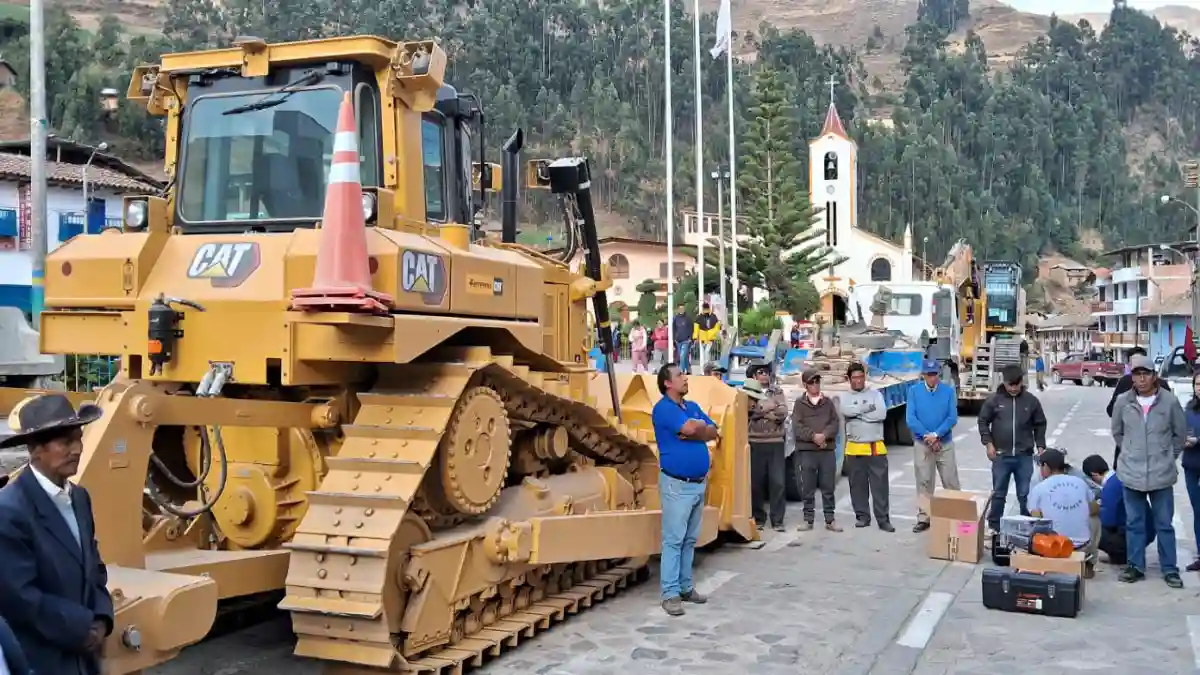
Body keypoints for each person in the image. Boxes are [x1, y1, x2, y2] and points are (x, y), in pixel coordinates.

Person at [0, 393, 114, 675]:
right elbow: (19, 596)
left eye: (78, 439)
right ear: (35, 450)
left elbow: (94, 568)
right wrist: (80, 630)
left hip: (84, 660)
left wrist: (101, 619)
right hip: (41, 661)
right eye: (65, 442)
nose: (77, 449)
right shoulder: (10, 510)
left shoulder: (80, 498)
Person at [1111, 354, 1187, 587]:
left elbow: (1179, 434)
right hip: (1131, 472)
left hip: (1161, 474)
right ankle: (1135, 566)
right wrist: (1130, 452)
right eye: (1137, 375)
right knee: (1134, 523)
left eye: (1146, 374)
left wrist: (1168, 457)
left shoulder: (1169, 402)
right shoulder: (1123, 401)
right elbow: (1117, 433)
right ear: (1132, 378)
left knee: (1164, 523)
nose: (1141, 379)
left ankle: (1169, 569)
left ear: (1154, 376)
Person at [651, 363, 720, 616]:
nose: (685, 377)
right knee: (673, 540)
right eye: (679, 375)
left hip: (698, 484)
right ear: (668, 383)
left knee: (690, 539)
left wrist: (696, 430)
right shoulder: (663, 409)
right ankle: (669, 593)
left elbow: (713, 431)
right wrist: (696, 429)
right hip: (677, 485)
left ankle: (685, 587)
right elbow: (692, 428)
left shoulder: (691, 407)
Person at [978, 364, 1047, 533]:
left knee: (1025, 495)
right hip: (1001, 456)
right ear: (1004, 382)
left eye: (1017, 384)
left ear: (1022, 382)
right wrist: (988, 443)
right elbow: (983, 421)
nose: (1014, 388)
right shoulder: (994, 400)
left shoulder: (1031, 401)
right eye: (1010, 385)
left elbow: (1040, 424)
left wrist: (1040, 445)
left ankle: (1028, 527)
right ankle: (994, 526)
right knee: (999, 493)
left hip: (1024, 456)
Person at [906, 359, 960, 533]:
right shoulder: (914, 392)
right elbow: (911, 419)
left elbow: (952, 418)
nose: (932, 378)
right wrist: (927, 437)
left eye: (934, 374)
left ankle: (956, 515)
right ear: (923, 375)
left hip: (944, 443)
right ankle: (924, 517)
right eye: (929, 375)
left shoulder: (948, 392)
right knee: (924, 481)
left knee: (950, 481)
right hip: (923, 444)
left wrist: (937, 435)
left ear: (939, 374)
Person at [1028, 448, 1099, 578]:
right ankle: (1089, 561)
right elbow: (1094, 508)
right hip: (1082, 545)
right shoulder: (1080, 483)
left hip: (1055, 547)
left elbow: (1036, 518)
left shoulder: (1039, 488)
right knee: (1094, 518)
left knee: (1034, 526)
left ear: (1046, 467)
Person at [840, 362, 893, 532]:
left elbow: (881, 414)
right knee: (857, 486)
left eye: (861, 377)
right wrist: (866, 409)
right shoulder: (844, 397)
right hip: (854, 449)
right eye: (854, 378)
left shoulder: (875, 394)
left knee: (880, 487)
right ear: (849, 379)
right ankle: (862, 517)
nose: (858, 380)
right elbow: (846, 411)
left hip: (875, 447)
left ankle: (883, 520)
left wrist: (859, 414)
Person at [792, 368, 841, 532]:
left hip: (826, 451)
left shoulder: (828, 402)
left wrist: (824, 436)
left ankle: (830, 519)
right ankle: (808, 520)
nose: (815, 385)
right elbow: (797, 426)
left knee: (828, 487)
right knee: (808, 488)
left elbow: (835, 422)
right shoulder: (799, 404)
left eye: (817, 381)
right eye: (811, 382)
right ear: (805, 385)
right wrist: (813, 437)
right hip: (807, 452)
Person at [1083, 454, 1153, 566]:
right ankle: (1122, 553)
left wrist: (1097, 510)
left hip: (1134, 532)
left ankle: (1121, 555)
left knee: (1091, 526)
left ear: (1094, 475)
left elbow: (1108, 521)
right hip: (1147, 528)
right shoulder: (1118, 478)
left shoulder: (1110, 487)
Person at [744, 366, 788, 531]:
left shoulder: (776, 391)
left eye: (767, 372)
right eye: (761, 372)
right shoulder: (747, 392)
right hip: (755, 441)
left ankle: (777, 520)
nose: (765, 375)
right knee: (756, 483)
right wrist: (770, 408)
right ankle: (759, 519)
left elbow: (783, 412)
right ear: (754, 376)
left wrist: (761, 410)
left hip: (775, 441)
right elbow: (749, 412)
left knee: (778, 482)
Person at [1107, 346, 1148, 466]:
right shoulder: (1125, 382)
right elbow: (1111, 410)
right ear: (1129, 365)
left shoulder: (1160, 384)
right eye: (1133, 363)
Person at [1182, 372, 1200, 572]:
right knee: (1198, 512)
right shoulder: (1188, 408)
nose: (1199, 387)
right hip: (1191, 466)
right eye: (1197, 383)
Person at [672, 304, 693, 373]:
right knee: (683, 356)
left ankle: (681, 370)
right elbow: (673, 329)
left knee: (682, 355)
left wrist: (690, 338)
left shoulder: (688, 318)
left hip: (686, 340)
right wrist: (674, 339)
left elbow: (691, 329)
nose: (681, 310)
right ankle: (688, 369)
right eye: (680, 308)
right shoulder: (675, 318)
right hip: (678, 341)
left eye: (682, 308)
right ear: (678, 309)